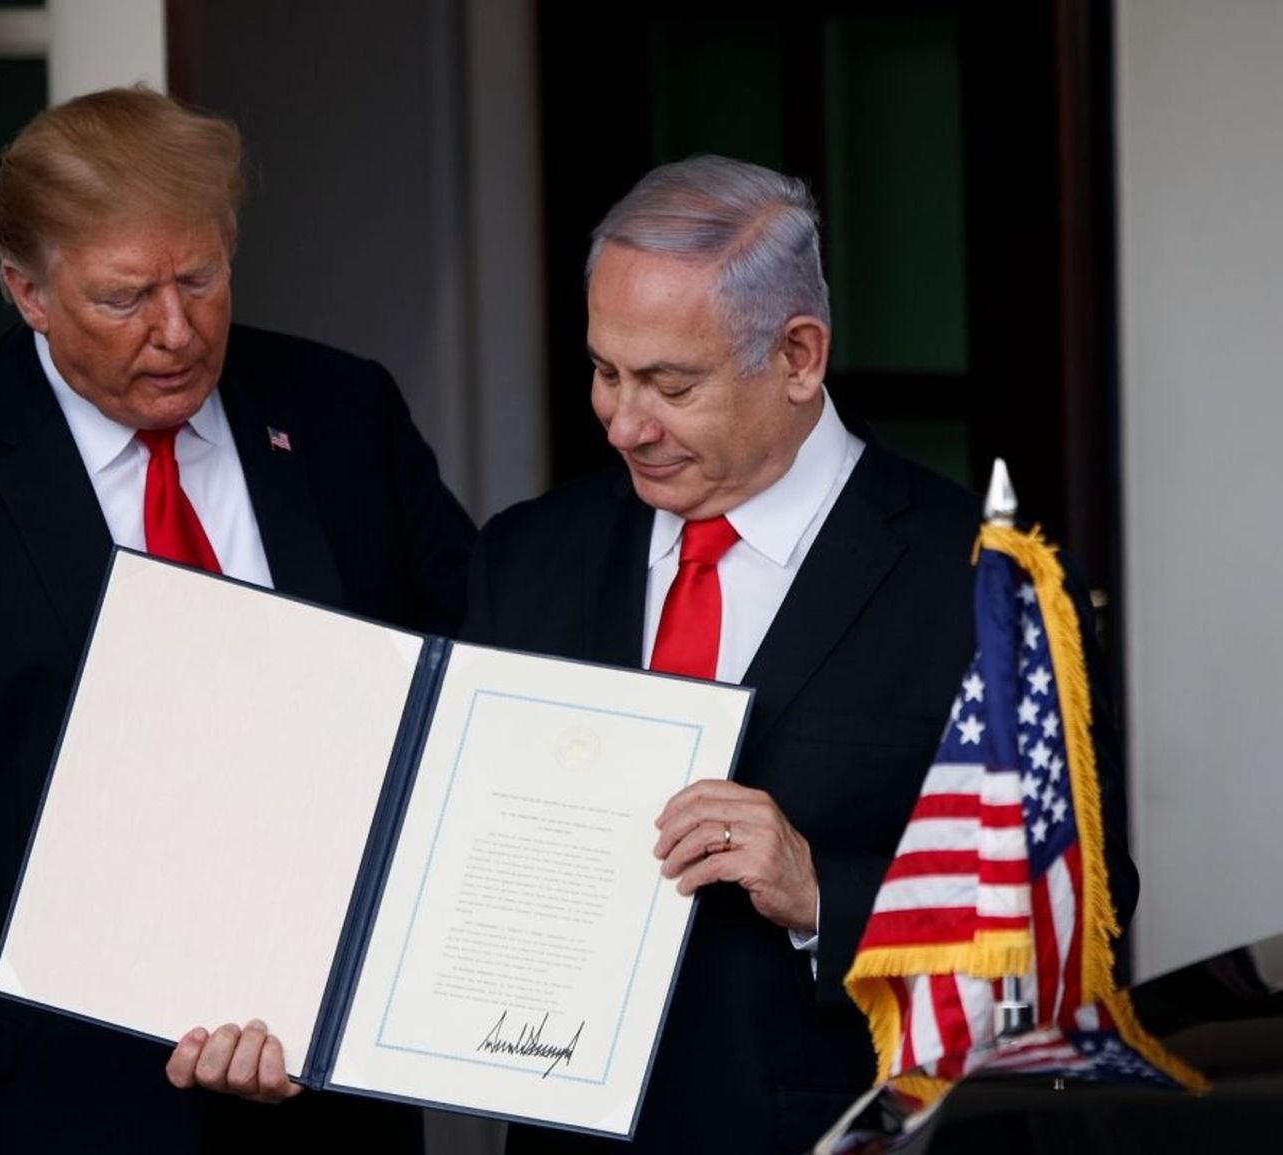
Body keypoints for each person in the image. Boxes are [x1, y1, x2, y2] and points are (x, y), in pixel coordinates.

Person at [0, 86, 473, 1153]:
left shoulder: (339, 415)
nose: (175, 332)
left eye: (200, 278)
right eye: (124, 298)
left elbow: (469, 692)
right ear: (25, 292)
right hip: (32, 1114)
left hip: (321, 1109)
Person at [461, 155, 1138, 1154]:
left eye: (669, 383)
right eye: (605, 370)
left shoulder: (987, 591)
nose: (622, 421)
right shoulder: (522, 559)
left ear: (797, 357)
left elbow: (1080, 926)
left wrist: (823, 892)